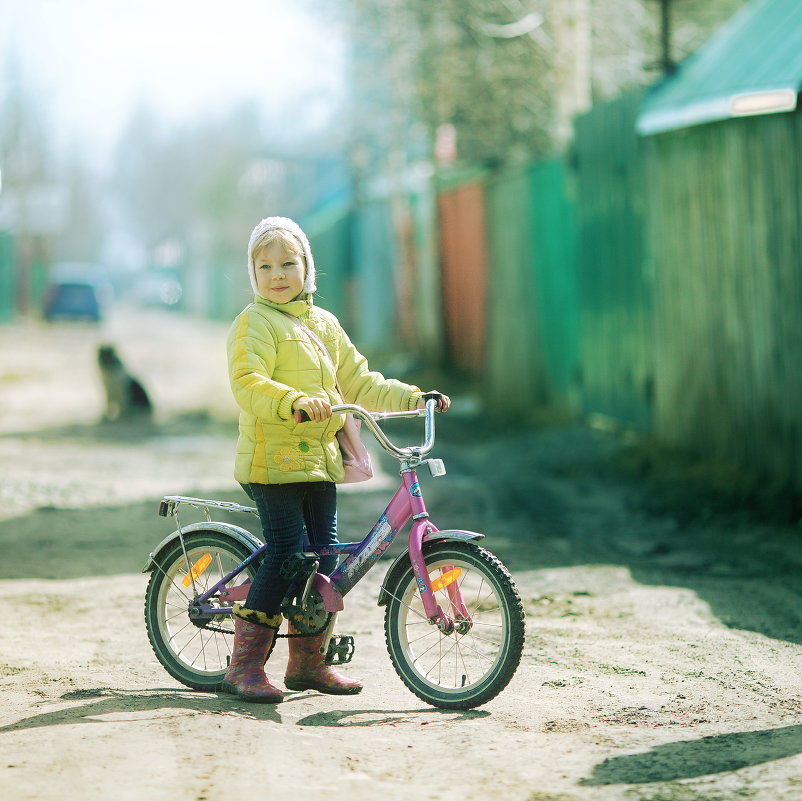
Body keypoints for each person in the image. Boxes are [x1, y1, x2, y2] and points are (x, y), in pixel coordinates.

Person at [223, 216, 450, 703]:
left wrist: (415, 398)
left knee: (324, 559)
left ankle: (307, 664)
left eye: (288, 263)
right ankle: (243, 667)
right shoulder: (254, 322)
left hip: (319, 462)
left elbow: (361, 382)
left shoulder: (324, 325)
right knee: (286, 553)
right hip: (272, 462)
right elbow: (248, 382)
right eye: (265, 266)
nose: (277, 274)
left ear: (308, 268)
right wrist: (292, 401)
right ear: (253, 274)